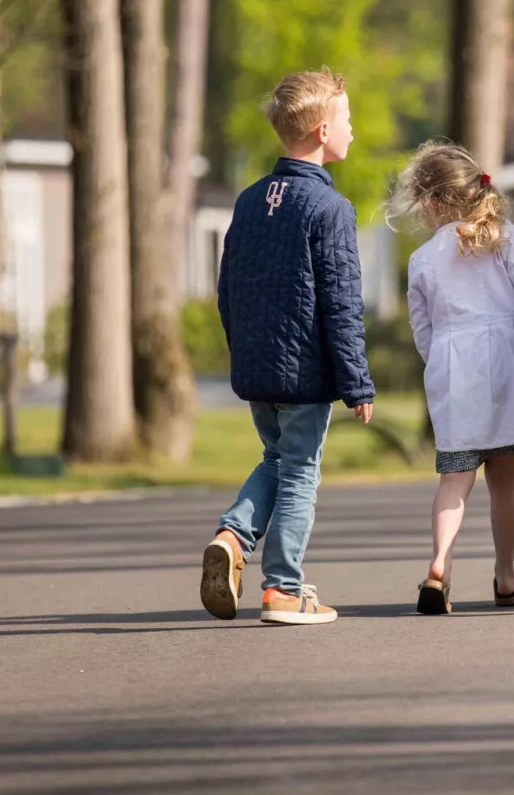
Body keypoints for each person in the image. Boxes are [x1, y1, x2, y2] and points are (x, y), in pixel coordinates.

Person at [199, 69, 375, 626]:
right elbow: (341, 305)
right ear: (323, 131)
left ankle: (231, 537)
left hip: (257, 368)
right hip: (303, 372)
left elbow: (227, 289)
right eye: (347, 119)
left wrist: (243, 351)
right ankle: (283, 589)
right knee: (300, 470)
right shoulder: (330, 210)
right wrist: (357, 384)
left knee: (277, 458)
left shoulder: (250, 201)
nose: (353, 129)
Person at [391, 142, 514, 615]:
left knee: (453, 482)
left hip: (454, 368)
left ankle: (439, 567)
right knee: (504, 479)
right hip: (507, 364)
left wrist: (442, 364)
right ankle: (504, 576)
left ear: (433, 203)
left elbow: (424, 332)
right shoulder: (508, 238)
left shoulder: (422, 259)